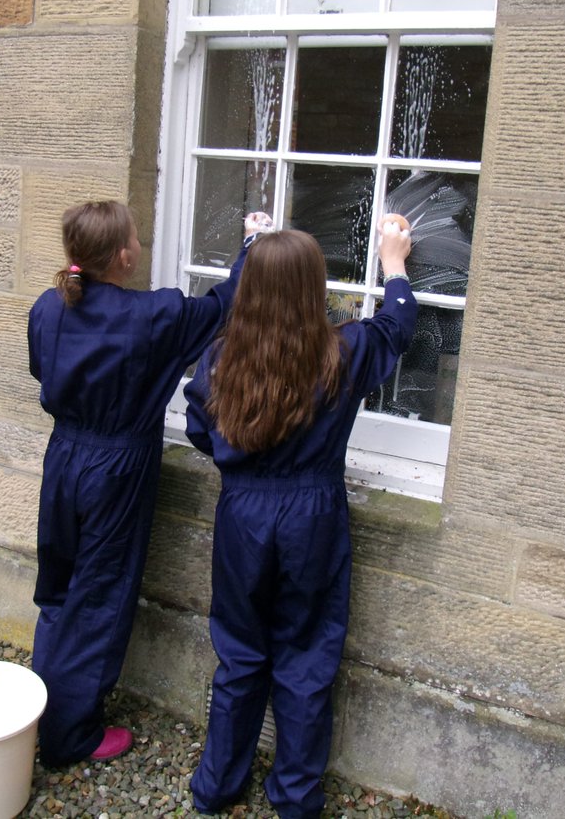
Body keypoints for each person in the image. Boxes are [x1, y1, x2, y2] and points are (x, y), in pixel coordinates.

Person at [183, 218, 416, 819]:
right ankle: (293, 797)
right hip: (311, 515)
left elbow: (200, 432)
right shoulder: (342, 353)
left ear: (251, 290)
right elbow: (397, 327)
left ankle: (216, 787)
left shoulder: (218, 360)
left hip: (243, 514)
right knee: (306, 656)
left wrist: (247, 469)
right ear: (315, 288)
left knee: (239, 652)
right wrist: (394, 266)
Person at [27, 200, 273, 767]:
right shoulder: (154, 315)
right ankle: (71, 736)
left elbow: (43, 370)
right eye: (136, 237)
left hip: (63, 457)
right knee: (101, 596)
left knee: (59, 587)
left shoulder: (48, 306)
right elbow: (223, 305)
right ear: (123, 256)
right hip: (116, 467)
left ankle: (40, 712)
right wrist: (252, 247)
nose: (140, 243)